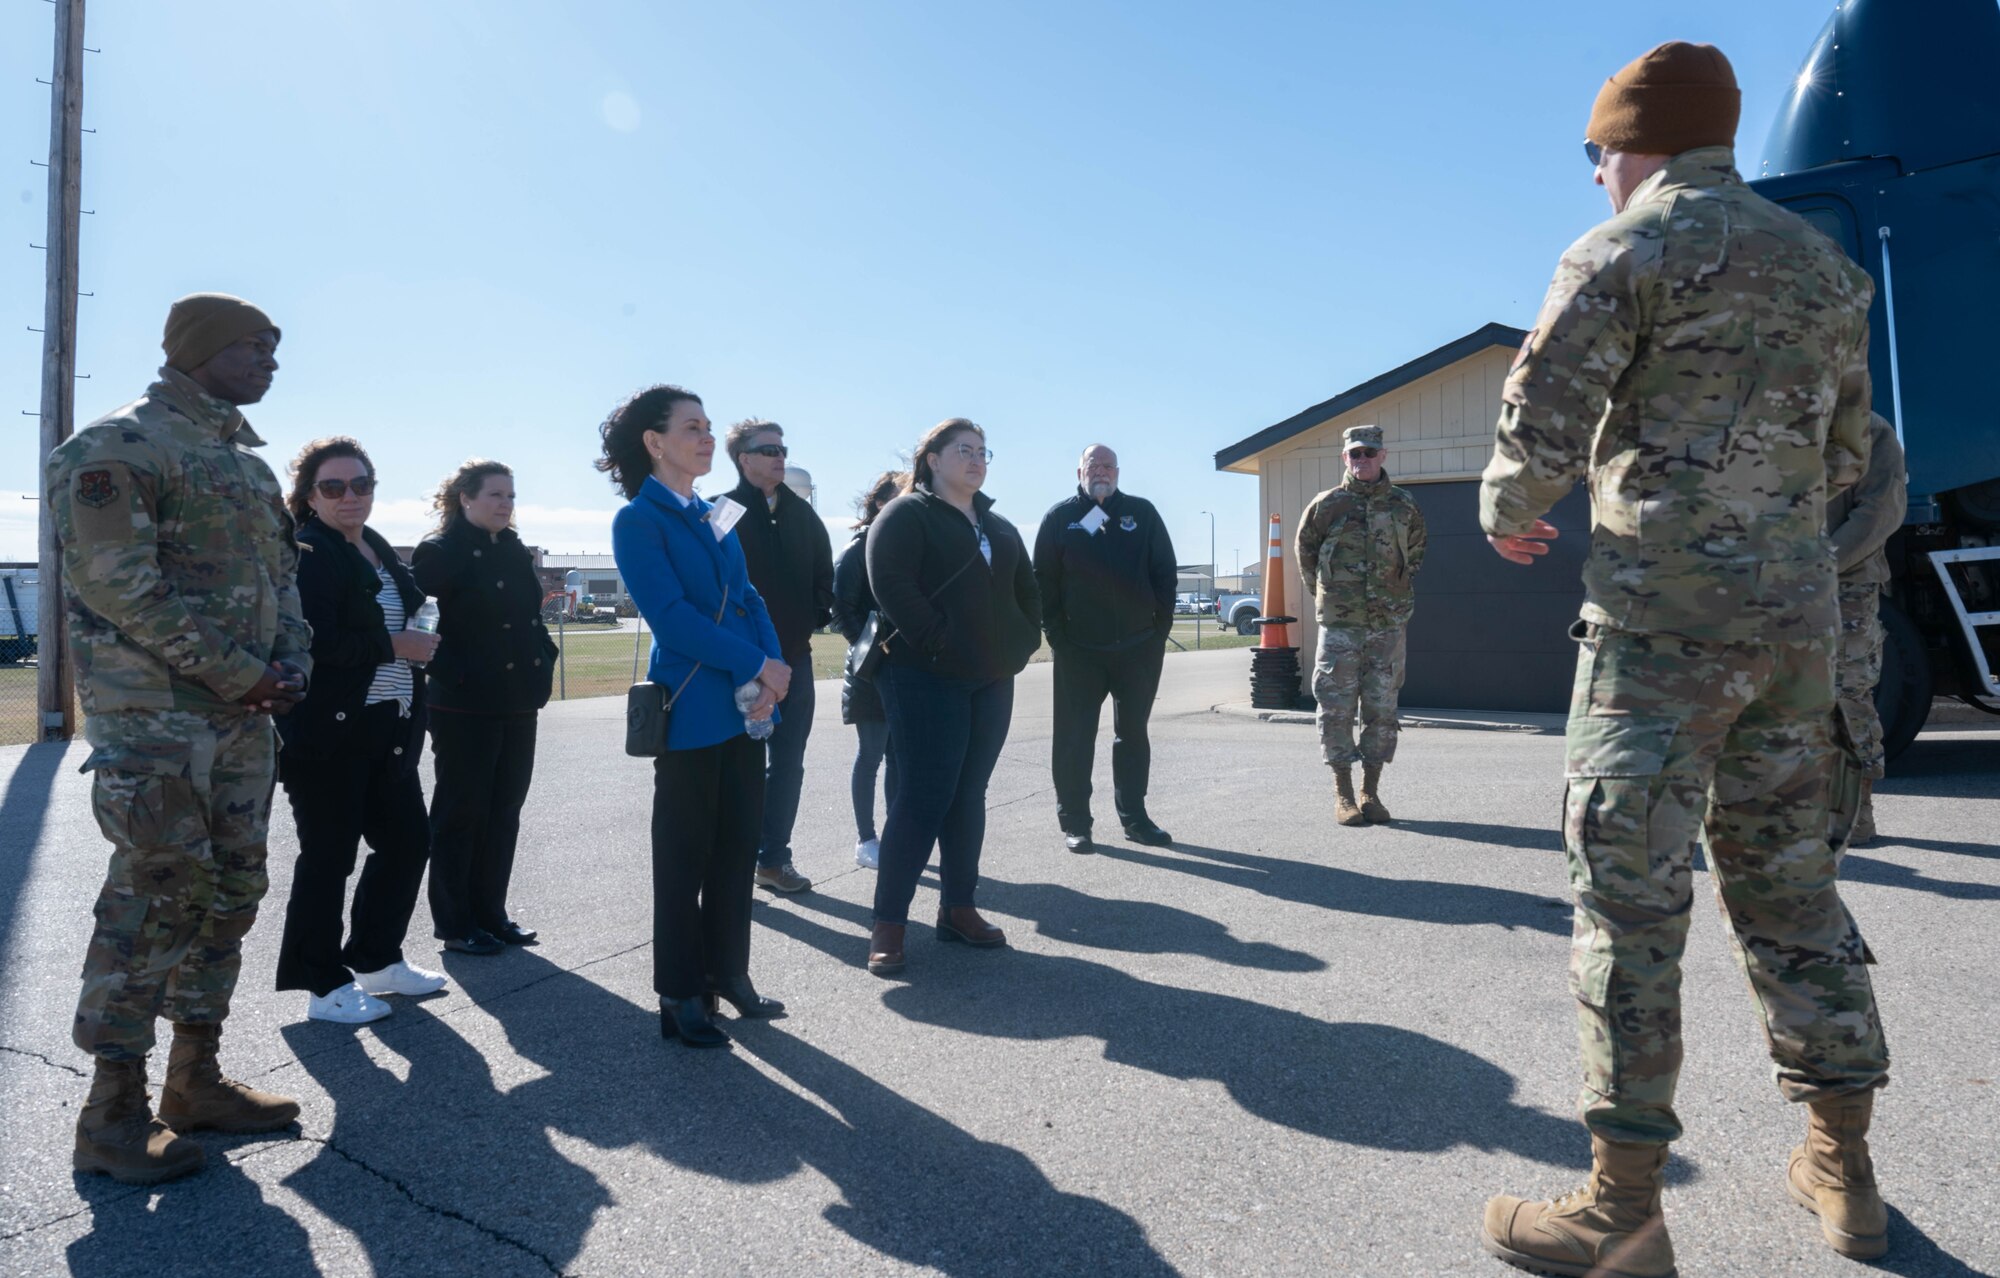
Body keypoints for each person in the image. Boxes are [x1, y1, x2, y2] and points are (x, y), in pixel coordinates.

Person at [1477, 43, 1891, 1272]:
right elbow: (1844, 463)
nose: (1597, 173)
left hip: (1657, 639)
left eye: (1597, 151)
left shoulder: (1622, 247)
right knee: (1790, 894)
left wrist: (1506, 510)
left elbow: (1539, 421)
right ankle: (1842, 1168)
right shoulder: (1824, 269)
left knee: (1628, 913)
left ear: (1633, 141)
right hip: (1791, 636)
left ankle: (1621, 1211)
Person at [47, 292, 310, 1183]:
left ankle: (193, 1080)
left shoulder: (249, 467)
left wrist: (291, 662)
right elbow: (120, 584)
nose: (270, 361)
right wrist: (242, 671)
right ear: (199, 350)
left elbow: (284, 581)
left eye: (275, 348)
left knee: (233, 889)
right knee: (157, 895)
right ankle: (110, 1113)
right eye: (253, 346)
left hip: (240, 721)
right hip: (157, 723)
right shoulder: (119, 445)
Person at [603, 384, 790, 1047]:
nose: (708, 438)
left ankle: (729, 976)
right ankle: (680, 992)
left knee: (738, 850)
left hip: (745, 710)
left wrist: (775, 666)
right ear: (655, 443)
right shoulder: (639, 520)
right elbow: (673, 620)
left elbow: (749, 594)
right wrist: (755, 665)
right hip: (691, 710)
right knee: (684, 859)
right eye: (693, 427)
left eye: (710, 426)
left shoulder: (717, 512)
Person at [274, 437, 449, 1025]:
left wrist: (420, 638)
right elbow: (310, 640)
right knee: (329, 857)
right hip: (329, 731)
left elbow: (414, 613)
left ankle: (375, 959)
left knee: (407, 843)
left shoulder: (377, 548)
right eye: (333, 487)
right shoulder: (308, 552)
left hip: (390, 727)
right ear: (308, 495)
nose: (350, 497)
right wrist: (393, 644)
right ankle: (322, 984)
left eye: (361, 485)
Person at [862, 419, 1041, 975]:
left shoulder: (999, 525)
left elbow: (1027, 591)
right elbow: (889, 581)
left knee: (969, 794)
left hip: (991, 677)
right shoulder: (905, 514)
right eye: (963, 450)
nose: (976, 459)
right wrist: (937, 641)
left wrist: (1022, 641)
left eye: (983, 452)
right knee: (922, 797)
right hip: (924, 674)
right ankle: (889, 924)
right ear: (932, 459)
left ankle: (958, 908)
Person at [413, 460, 557, 955]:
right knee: (461, 813)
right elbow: (424, 621)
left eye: (511, 496)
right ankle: (456, 924)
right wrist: (452, 671)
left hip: (518, 700)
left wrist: (543, 661)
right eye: (495, 495)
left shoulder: (515, 549)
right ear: (465, 498)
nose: (505, 504)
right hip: (464, 702)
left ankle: (491, 913)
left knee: (504, 812)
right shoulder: (438, 552)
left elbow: (528, 620)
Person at [1032, 444, 1177, 853]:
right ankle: (1076, 823)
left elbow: (1165, 573)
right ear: (1079, 470)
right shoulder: (1061, 518)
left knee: (1132, 735)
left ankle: (1135, 819)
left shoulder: (1141, 513)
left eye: (1108, 465)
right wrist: (1059, 637)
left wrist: (1157, 630)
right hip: (1079, 650)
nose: (1101, 471)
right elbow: (1042, 582)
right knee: (1075, 738)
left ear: (1118, 471)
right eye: (1093, 464)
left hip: (1138, 650)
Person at [722, 419, 834, 896]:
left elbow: (823, 576)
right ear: (743, 459)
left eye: (782, 449)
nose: (778, 456)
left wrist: (806, 622)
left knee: (787, 765)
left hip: (794, 661)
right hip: (738, 666)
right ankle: (727, 867)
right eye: (767, 449)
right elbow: (710, 586)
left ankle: (773, 861)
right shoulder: (722, 513)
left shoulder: (802, 515)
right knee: (735, 768)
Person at [1295, 425, 1426, 826]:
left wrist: (1392, 594)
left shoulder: (1404, 506)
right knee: (1335, 708)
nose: (1362, 460)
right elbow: (1307, 555)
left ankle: (1371, 791)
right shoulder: (1327, 505)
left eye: (1370, 453)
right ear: (1345, 459)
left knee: (1382, 708)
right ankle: (1343, 792)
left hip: (1388, 624)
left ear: (1383, 456)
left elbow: (1416, 552)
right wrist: (1330, 598)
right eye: (1355, 454)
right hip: (1341, 625)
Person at [1827, 413, 1908, 849]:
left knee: (1846, 695)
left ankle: (1856, 816)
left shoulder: (1868, 431)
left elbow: (1880, 511)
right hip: (1771, 587)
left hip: (1844, 585)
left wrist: (1817, 565)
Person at [834, 471, 906, 869]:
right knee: (871, 754)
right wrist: (870, 650)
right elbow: (840, 609)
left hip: (905, 671)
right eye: (897, 497)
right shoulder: (857, 549)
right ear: (879, 503)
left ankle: (898, 834)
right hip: (870, 672)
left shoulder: (906, 546)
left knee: (900, 757)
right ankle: (866, 840)